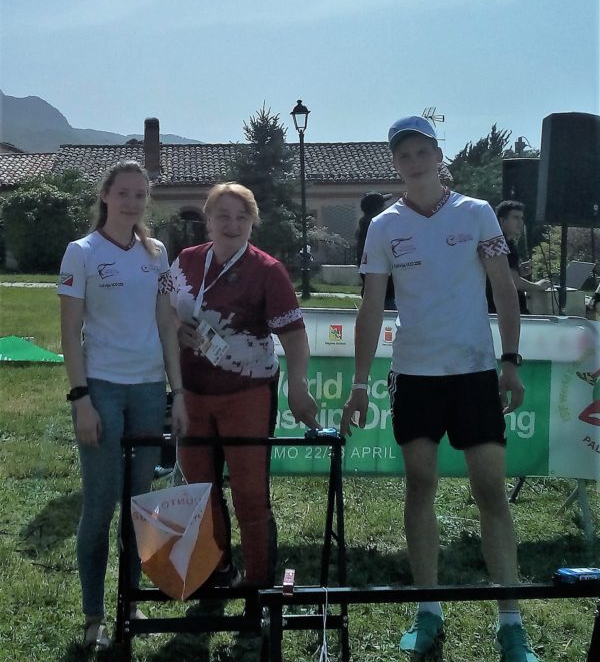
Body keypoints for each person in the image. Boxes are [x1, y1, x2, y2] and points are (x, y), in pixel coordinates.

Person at [341, 117, 539, 661]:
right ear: (395, 163)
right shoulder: (383, 225)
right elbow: (371, 306)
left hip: (474, 374)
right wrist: (359, 382)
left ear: (437, 154)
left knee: (490, 490)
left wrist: (510, 361)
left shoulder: (476, 212)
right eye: (403, 155)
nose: (414, 162)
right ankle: (427, 608)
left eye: (422, 151)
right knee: (420, 487)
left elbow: (503, 288)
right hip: (415, 376)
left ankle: (510, 620)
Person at [58, 159, 187, 650]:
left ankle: (130, 603)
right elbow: (70, 331)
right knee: (101, 504)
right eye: (123, 193)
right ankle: (94, 616)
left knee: (141, 505)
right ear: (106, 196)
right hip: (102, 389)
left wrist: (177, 393)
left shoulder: (157, 254)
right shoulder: (81, 252)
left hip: (149, 390)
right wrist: (81, 398)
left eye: (140, 194)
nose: (132, 202)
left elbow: (167, 324)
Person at [170, 182, 319, 595]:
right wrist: (176, 329)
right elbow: (164, 312)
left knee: (250, 494)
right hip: (192, 392)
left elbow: (294, 336)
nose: (232, 225)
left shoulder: (268, 270)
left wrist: (298, 385)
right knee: (198, 490)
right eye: (223, 216)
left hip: (247, 392)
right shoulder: (186, 260)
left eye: (241, 217)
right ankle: (217, 572)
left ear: (253, 222)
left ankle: (259, 590)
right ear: (208, 220)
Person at [486, 200, 551, 314]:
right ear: (502, 220)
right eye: (515, 218)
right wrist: (538, 286)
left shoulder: (495, 241)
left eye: (521, 218)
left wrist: (518, 270)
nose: (520, 222)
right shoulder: (503, 244)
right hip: (505, 311)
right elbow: (512, 282)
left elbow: (499, 273)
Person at [356, 192, 396, 310]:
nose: (386, 207)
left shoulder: (363, 229)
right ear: (378, 208)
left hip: (374, 290)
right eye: (383, 205)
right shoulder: (377, 229)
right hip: (384, 292)